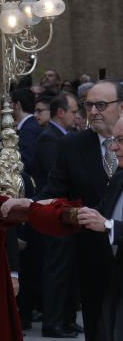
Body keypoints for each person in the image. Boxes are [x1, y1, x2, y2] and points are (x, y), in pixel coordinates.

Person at [1, 80, 123, 341]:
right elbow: (53, 193)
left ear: (121, 106)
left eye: (101, 105)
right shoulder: (73, 145)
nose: (93, 111)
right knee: (99, 329)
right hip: (93, 259)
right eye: (88, 105)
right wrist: (30, 205)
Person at [35, 93, 82, 338]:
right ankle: (53, 323)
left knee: (69, 271)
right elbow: (59, 176)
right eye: (74, 111)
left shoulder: (63, 137)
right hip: (54, 213)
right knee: (57, 271)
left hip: (68, 213)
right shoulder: (49, 138)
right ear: (61, 112)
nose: (77, 116)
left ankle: (67, 319)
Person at [77, 115, 123, 340]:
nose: (114, 147)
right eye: (115, 139)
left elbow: (104, 222)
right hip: (113, 287)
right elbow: (99, 212)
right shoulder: (119, 177)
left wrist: (107, 225)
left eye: (121, 140)